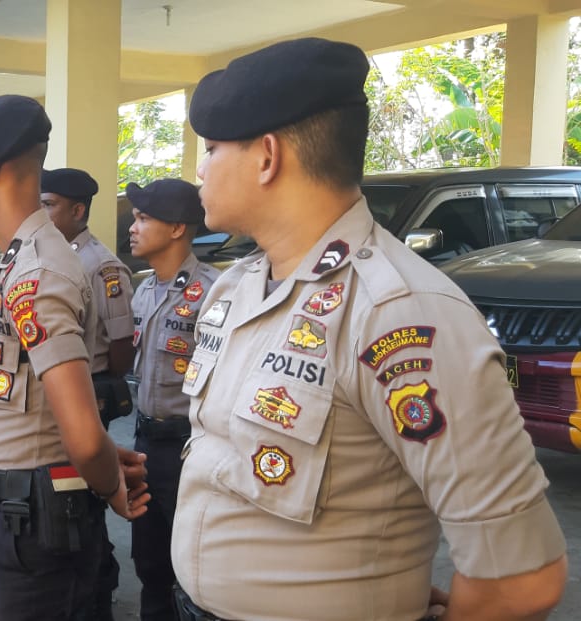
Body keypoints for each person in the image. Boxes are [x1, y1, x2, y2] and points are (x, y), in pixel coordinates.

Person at [172, 37, 567, 621]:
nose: (200, 170)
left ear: (267, 157)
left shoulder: (400, 311)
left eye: (211, 149)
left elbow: (520, 581)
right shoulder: (237, 287)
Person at [0, 94, 151, 621]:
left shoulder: (38, 272)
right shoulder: (18, 258)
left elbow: (82, 434)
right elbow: (47, 404)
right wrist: (101, 453)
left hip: (33, 519)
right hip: (13, 508)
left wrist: (109, 484)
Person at [40, 167, 137, 620]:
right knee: (64, 491)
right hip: (60, 390)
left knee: (84, 492)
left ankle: (98, 585)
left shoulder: (100, 264)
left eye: (49, 205)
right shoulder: (50, 255)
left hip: (89, 387)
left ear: (78, 210)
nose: (42, 213)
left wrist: (100, 387)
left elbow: (121, 343)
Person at [124, 179, 219, 621]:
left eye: (144, 218)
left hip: (187, 447)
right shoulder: (145, 290)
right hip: (145, 442)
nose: (132, 227)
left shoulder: (213, 291)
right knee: (149, 561)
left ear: (178, 228)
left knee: (191, 567)